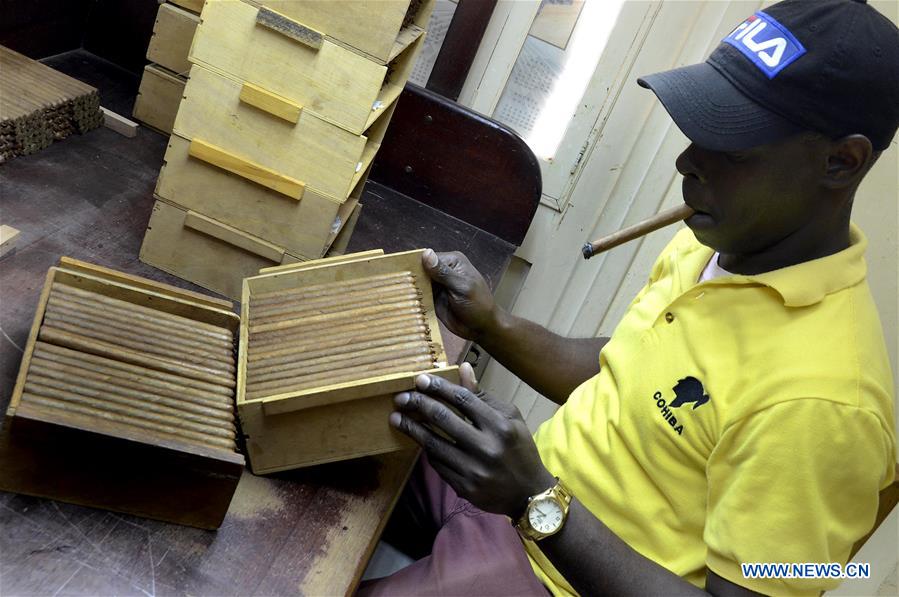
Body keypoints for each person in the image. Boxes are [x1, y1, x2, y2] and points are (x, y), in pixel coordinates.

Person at [357, 0, 898, 595]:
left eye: (733, 148)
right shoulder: (725, 242)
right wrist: (492, 323)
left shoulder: (823, 404)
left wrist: (537, 499)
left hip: (549, 573)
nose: (687, 162)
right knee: (324, 432)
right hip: (517, 502)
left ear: (841, 161)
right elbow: (624, 374)